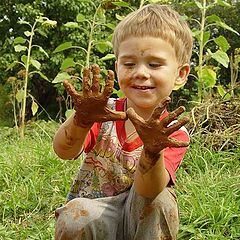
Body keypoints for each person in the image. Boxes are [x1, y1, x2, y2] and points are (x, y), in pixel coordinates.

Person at [53, 3, 193, 240]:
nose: (140, 72)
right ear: (117, 67)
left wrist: (152, 150)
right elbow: (63, 151)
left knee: (162, 201)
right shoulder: (103, 113)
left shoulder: (172, 134)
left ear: (180, 74)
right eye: (129, 64)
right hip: (95, 214)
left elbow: (148, 192)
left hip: (142, 220)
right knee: (74, 214)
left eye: (154, 64)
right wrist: (81, 119)